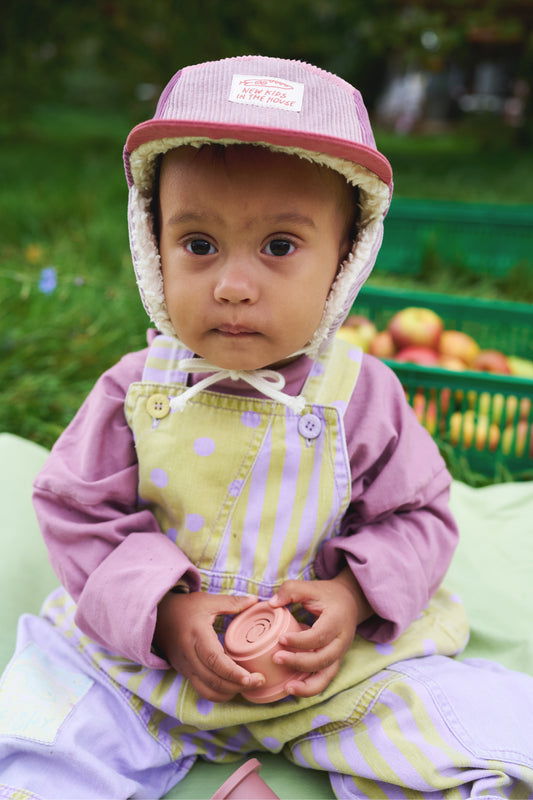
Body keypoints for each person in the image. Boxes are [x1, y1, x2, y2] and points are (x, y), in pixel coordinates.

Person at [1, 55, 532, 799]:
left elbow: (417, 519)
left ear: (345, 262)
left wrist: (351, 598)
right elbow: (78, 513)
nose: (232, 286)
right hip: (147, 672)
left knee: (485, 735)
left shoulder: (362, 395)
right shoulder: (134, 390)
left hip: (326, 675)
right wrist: (164, 613)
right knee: (41, 739)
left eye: (280, 246)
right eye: (198, 244)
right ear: (152, 246)